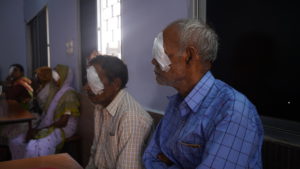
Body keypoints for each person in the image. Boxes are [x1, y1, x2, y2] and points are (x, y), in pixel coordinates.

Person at [143, 19, 264, 169]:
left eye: (161, 53)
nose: (153, 61)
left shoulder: (233, 110)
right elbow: (151, 158)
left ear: (189, 56)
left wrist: (169, 162)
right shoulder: (176, 104)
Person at [85, 55, 153, 169]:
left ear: (116, 84)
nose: (86, 87)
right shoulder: (100, 107)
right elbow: (95, 154)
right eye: (88, 80)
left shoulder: (131, 119)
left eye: (94, 81)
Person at [9, 64, 80, 159]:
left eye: (57, 79)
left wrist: (42, 129)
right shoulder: (55, 92)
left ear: (64, 77)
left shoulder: (69, 94)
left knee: (34, 147)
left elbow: (63, 122)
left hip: (65, 127)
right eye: (54, 79)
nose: (54, 82)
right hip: (54, 124)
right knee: (18, 141)